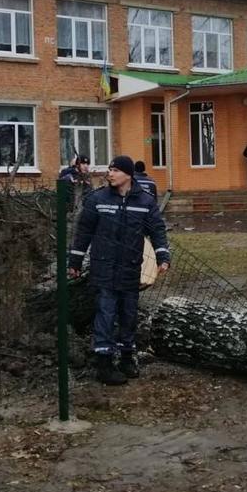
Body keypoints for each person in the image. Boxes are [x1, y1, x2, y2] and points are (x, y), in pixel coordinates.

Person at [69, 155, 170, 385]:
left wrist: (163, 256)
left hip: (130, 268)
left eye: (115, 170)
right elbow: (83, 232)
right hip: (103, 267)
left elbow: (157, 230)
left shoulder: (144, 202)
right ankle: (103, 364)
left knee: (128, 314)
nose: (110, 174)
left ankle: (126, 358)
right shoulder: (98, 199)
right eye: (109, 169)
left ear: (128, 174)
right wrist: (74, 262)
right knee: (105, 313)